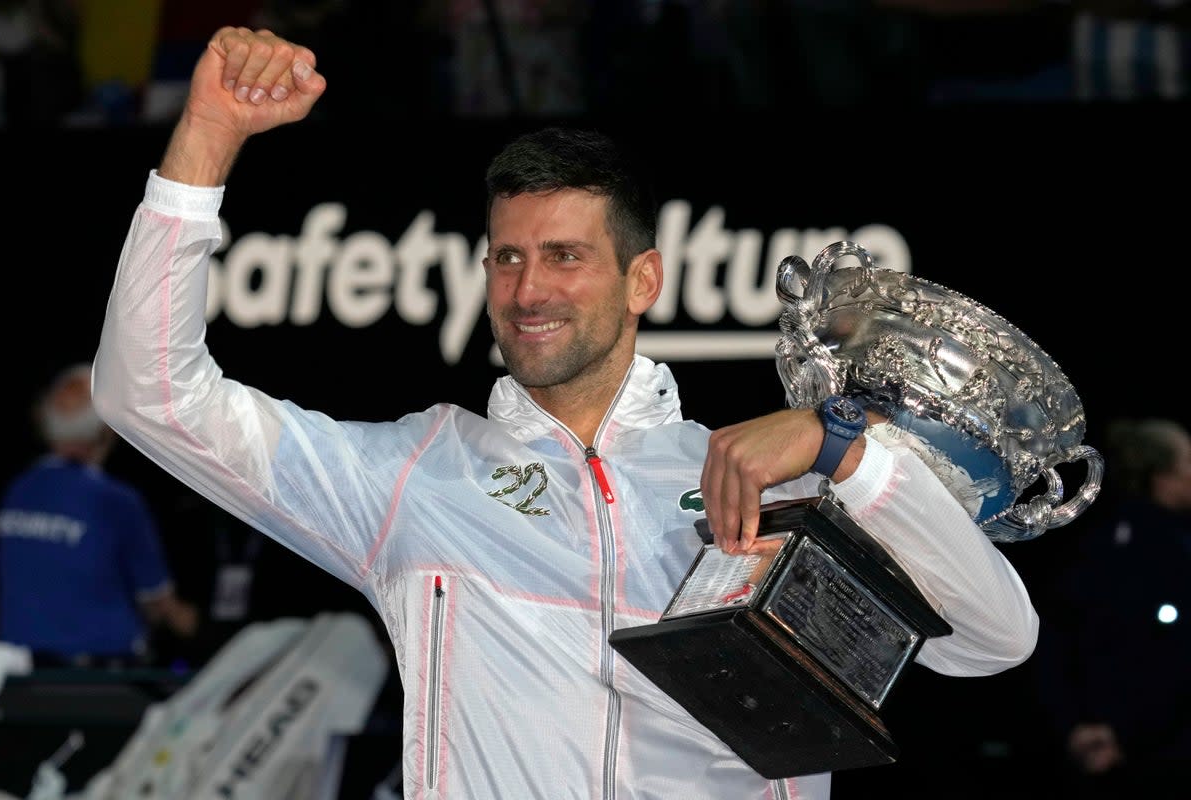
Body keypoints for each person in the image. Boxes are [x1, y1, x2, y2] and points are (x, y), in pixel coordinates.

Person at [89, 26, 1039, 799]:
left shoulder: (760, 476)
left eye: (565, 256)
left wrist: (844, 451)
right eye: (507, 257)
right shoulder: (412, 474)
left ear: (644, 280)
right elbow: (150, 396)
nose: (527, 288)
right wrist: (205, 140)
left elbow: (994, 641)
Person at [0, 362, 199, 667]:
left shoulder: (16, 490)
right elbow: (158, 605)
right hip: (103, 676)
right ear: (108, 428)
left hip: (17, 673)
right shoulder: (116, 500)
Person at [1031, 417, 1191, 799]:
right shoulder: (1154, 551)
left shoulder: (1096, 538)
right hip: (1139, 758)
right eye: (1188, 462)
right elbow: (1091, 641)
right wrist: (1108, 732)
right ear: (1162, 473)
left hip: (1113, 744)